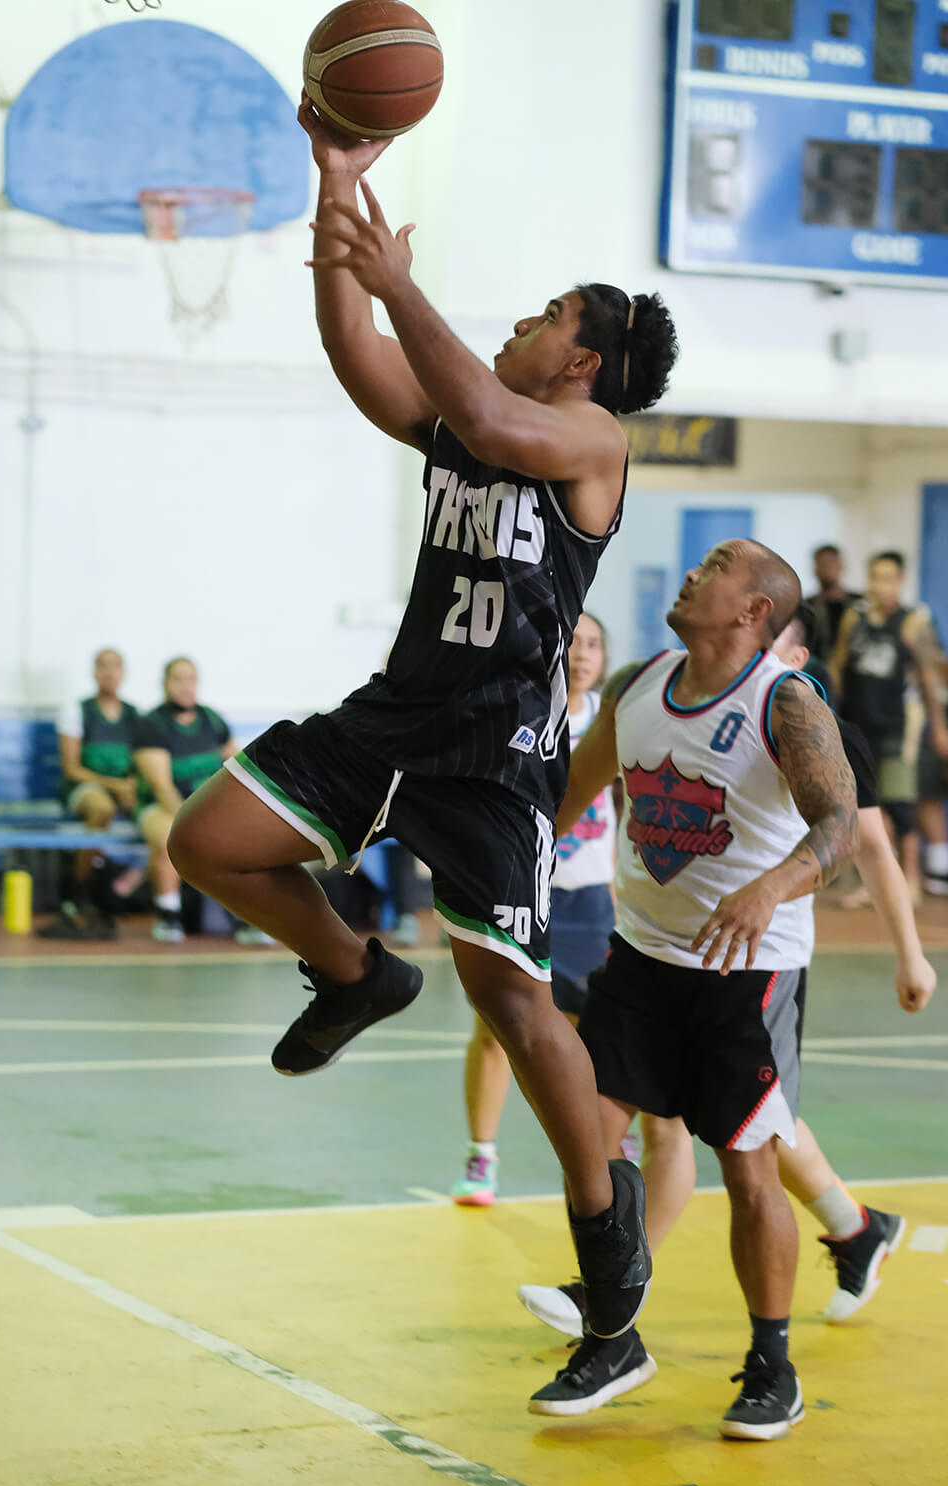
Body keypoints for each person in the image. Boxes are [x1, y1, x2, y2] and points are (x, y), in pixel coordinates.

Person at [167, 93, 680, 1344]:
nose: (523, 319)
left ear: (586, 362)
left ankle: (604, 1236)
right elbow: (361, 358)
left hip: (500, 750)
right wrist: (334, 177)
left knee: (513, 1003)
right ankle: (351, 974)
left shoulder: (591, 441)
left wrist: (405, 285)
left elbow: (494, 413)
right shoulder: (466, 419)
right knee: (206, 843)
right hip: (399, 713)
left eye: (550, 314)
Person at [519, 598, 936, 1358]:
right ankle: (853, 1228)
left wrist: (909, 950)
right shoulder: (658, 693)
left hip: (747, 966)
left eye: (771, 640)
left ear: (793, 657)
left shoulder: (807, 724)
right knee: (710, 1131)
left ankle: (624, 1295)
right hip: (660, 955)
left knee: (719, 1139)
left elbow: (866, 845)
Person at [451, 611, 615, 1206]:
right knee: (496, 1031)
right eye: (575, 641)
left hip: (592, 900)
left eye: (595, 644)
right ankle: (481, 1155)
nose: (584, 653)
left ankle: (596, 1155)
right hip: (522, 890)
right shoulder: (521, 712)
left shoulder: (613, 721)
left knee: (581, 1036)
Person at [829, 551, 948, 902]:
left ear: (899, 582)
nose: (879, 585)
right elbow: (838, 666)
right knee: (868, 807)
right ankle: (878, 883)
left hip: (900, 729)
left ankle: (911, 881)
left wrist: (941, 727)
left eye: (887, 578)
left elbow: (932, 679)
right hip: (859, 724)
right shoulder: (854, 619)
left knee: (901, 806)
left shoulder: (912, 622)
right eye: (874, 577)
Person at [133, 658, 236, 944]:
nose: (185, 686)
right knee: (170, 839)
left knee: (247, 839)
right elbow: (162, 787)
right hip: (161, 807)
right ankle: (169, 917)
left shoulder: (212, 719)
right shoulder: (150, 725)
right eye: (177, 679)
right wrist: (195, 824)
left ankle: (246, 917)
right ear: (165, 683)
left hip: (207, 808)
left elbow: (237, 765)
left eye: (190, 679)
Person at [41, 648, 139, 941]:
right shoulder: (77, 710)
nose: (109, 673)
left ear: (123, 672)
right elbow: (72, 769)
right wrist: (115, 785)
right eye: (103, 666)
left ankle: (129, 887)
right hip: (85, 789)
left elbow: (141, 762)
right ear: (94, 672)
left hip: (122, 789)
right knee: (102, 809)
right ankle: (79, 890)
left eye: (115, 666)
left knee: (162, 814)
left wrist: (132, 786)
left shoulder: (135, 716)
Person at [806, 543, 854, 663]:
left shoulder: (859, 604)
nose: (828, 569)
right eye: (823, 564)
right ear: (816, 569)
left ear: (841, 566)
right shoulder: (806, 607)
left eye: (831, 564)